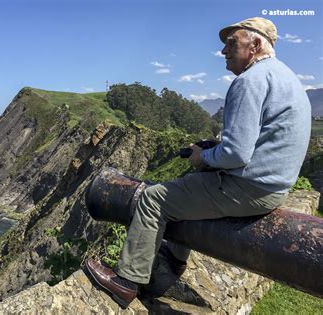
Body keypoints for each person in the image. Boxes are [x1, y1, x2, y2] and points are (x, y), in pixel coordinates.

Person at [86, 17, 311, 308]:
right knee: (189, 188)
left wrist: (203, 157)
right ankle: (174, 261)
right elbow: (258, 141)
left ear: (255, 45)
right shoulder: (285, 78)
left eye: (232, 43)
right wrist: (217, 148)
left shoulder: (249, 81)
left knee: (154, 199)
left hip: (249, 188)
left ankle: (126, 282)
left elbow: (237, 155)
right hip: (274, 186)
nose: (223, 52)